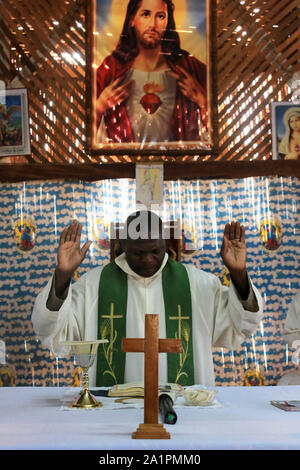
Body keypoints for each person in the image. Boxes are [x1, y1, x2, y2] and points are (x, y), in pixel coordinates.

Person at [32, 211, 264, 388]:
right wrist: (63, 275)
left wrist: (239, 274)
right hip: (113, 410)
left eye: (155, 250)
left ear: (165, 244)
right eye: (138, 253)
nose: (147, 260)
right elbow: (54, 331)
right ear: (122, 245)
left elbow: (241, 324)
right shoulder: (94, 285)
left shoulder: (197, 284)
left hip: (182, 408)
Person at [96, 0, 207, 144]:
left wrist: (203, 101)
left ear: (167, 22)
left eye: (160, 16)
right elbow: (86, 128)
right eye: (146, 14)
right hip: (123, 163)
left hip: (178, 163)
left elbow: (215, 130)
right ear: (132, 20)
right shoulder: (112, 68)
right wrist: (99, 106)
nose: (153, 25)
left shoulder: (188, 66)